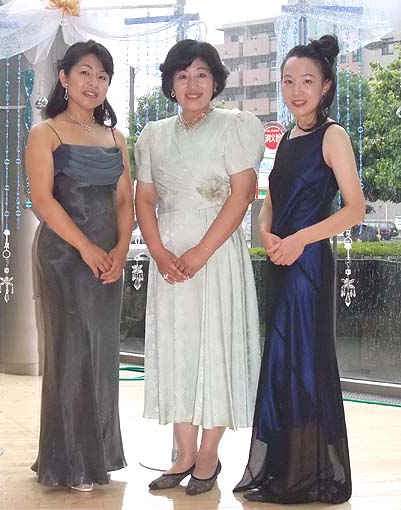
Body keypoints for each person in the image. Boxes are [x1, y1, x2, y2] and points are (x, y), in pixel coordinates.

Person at [234, 35, 365, 504]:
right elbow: (272, 198)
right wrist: (265, 231)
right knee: (282, 361)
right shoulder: (286, 138)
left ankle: (309, 474)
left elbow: (355, 209)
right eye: (288, 81)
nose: (296, 90)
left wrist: (299, 240)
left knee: (306, 361)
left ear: (326, 85)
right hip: (280, 260)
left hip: (308, 265)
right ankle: (287, 469)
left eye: (307, 81)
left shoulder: (334, 136)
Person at [135, 39, 264, 496]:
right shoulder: (153, 134)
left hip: (216, 256)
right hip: (169, 260)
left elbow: (242, 195)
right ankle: (183, 453)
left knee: (216, 347)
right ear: (170, 83)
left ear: (216, 81)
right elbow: (144, 199)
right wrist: (157, 251)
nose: (192, 84)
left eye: (202, 75)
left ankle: (208, 455)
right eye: (183, 75)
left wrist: (200, 253)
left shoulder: (236, 126)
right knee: (178, 349)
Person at [26, 40, 133, 492]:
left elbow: (124, 200)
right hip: (64, 257)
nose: (94, 83)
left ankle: (98, 456)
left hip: (108, 258)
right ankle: (69, 461)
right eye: (85, 73)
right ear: (64, 77)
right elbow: (42, 200)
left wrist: (122, 248)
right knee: (71, 351)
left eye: (102, 76)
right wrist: (86, 247)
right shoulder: (46, 133)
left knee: (102, 353)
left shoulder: (116, 137)